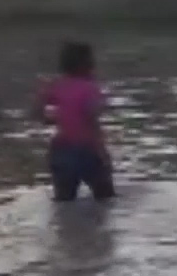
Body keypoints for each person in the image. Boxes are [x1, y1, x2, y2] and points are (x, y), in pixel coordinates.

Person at [35, 42, 116, 202]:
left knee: (64, 202)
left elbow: (36, 112)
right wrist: (103, 153)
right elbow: (91, 120)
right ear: (88, 64)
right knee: (106, 199)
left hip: (61, 151)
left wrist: (55, 119)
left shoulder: (56, 86)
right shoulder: (91, 88)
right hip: (87, 151)